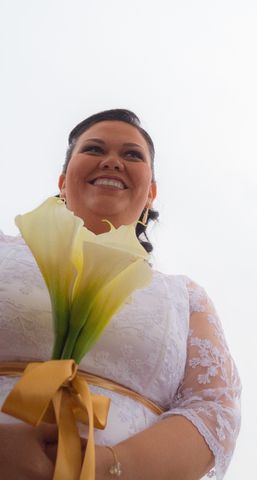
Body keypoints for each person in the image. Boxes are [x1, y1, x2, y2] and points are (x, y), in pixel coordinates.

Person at [0, 109, 241, 479]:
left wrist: (109, 466)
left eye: (132, 155)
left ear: (151, 193)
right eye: (94, 149)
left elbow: (213, 408)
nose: (112, 162)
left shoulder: (182, 296)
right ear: (63, 182)